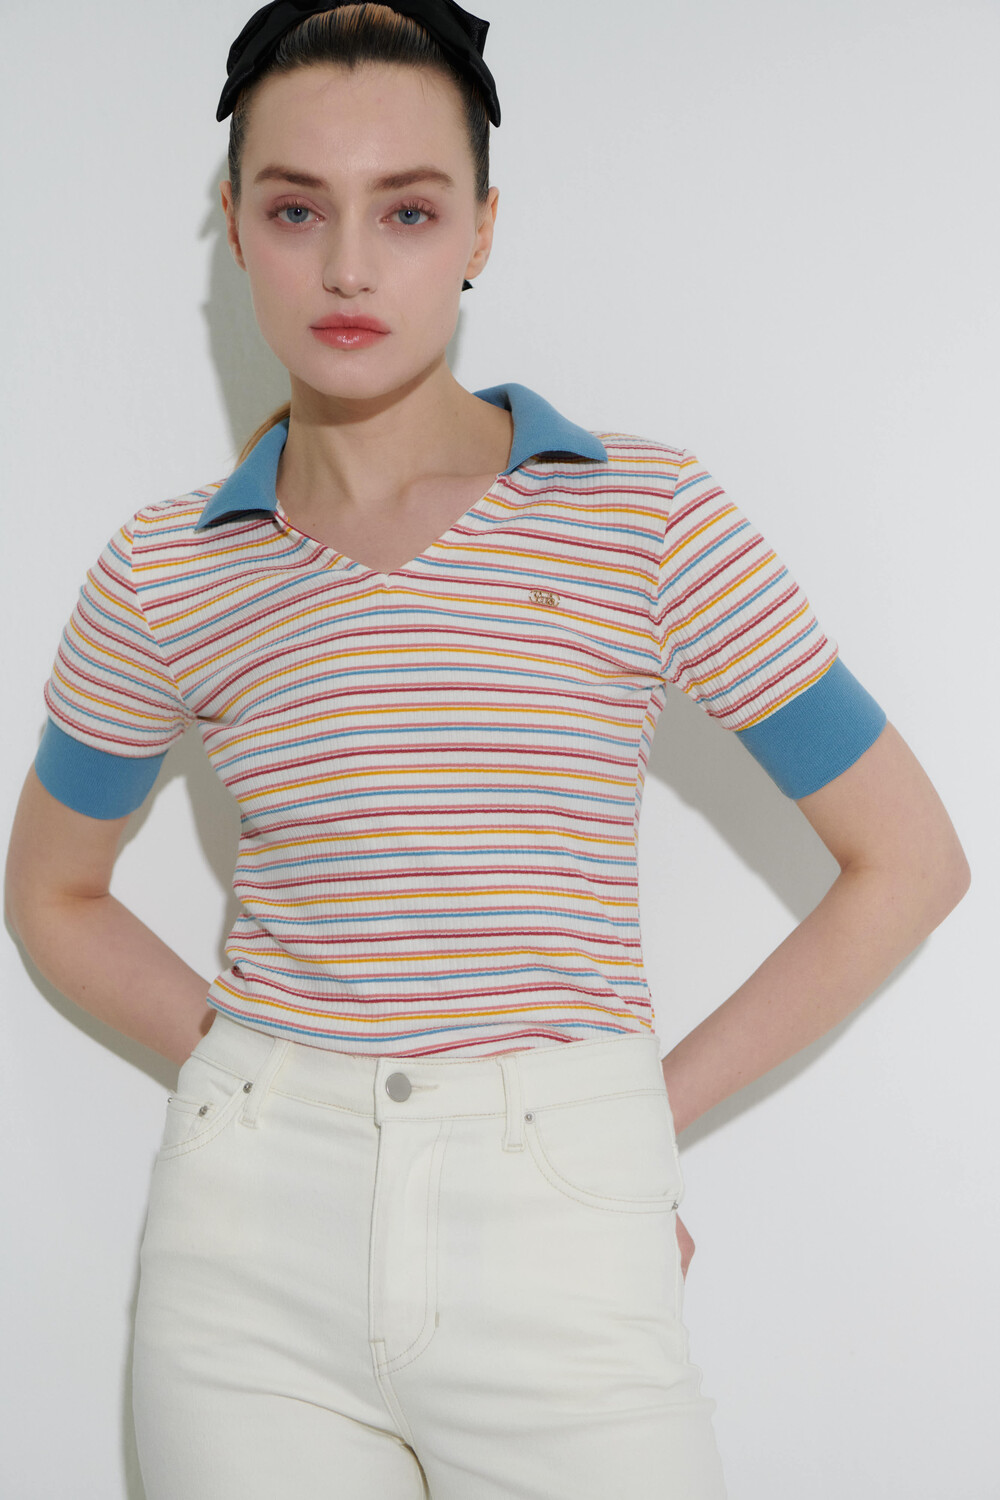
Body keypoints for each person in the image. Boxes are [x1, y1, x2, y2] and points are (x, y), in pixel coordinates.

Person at [3, 3, 971, 1497]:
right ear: (234, 226)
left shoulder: (645, 517)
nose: (348, 266)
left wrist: (630, 1124)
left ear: (482, 229)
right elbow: (52, 891)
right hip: (246, 1258)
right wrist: (253, 1073)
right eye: (296, 209)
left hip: (561, 1227)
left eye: (406, 210)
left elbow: (908, 860)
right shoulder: (164, 572)